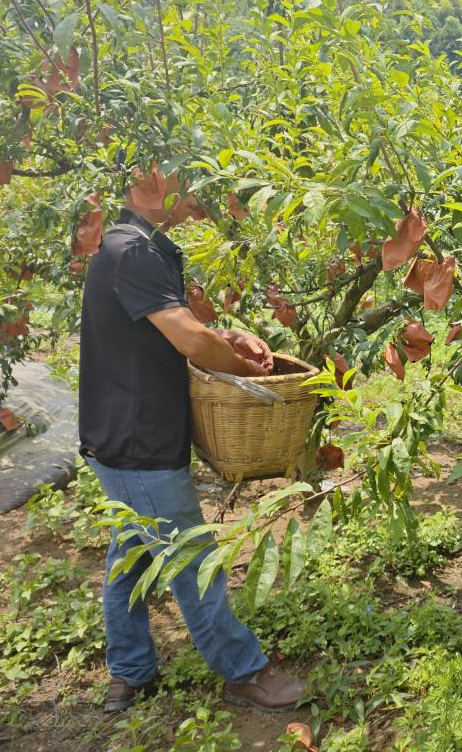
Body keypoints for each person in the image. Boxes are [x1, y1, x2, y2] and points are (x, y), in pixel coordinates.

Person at [79, 180, 305, 713]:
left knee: (131, 552)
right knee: (191, 557)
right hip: (138, 439)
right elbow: (187, 339)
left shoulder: (141, 246)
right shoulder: (131, 249)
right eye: (186, 177)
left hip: (120, 434)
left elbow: (167, 328)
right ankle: (243, 671)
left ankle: (130, 671)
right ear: (150, 184)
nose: (197, 191)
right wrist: (242, 367)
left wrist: (226, 337)